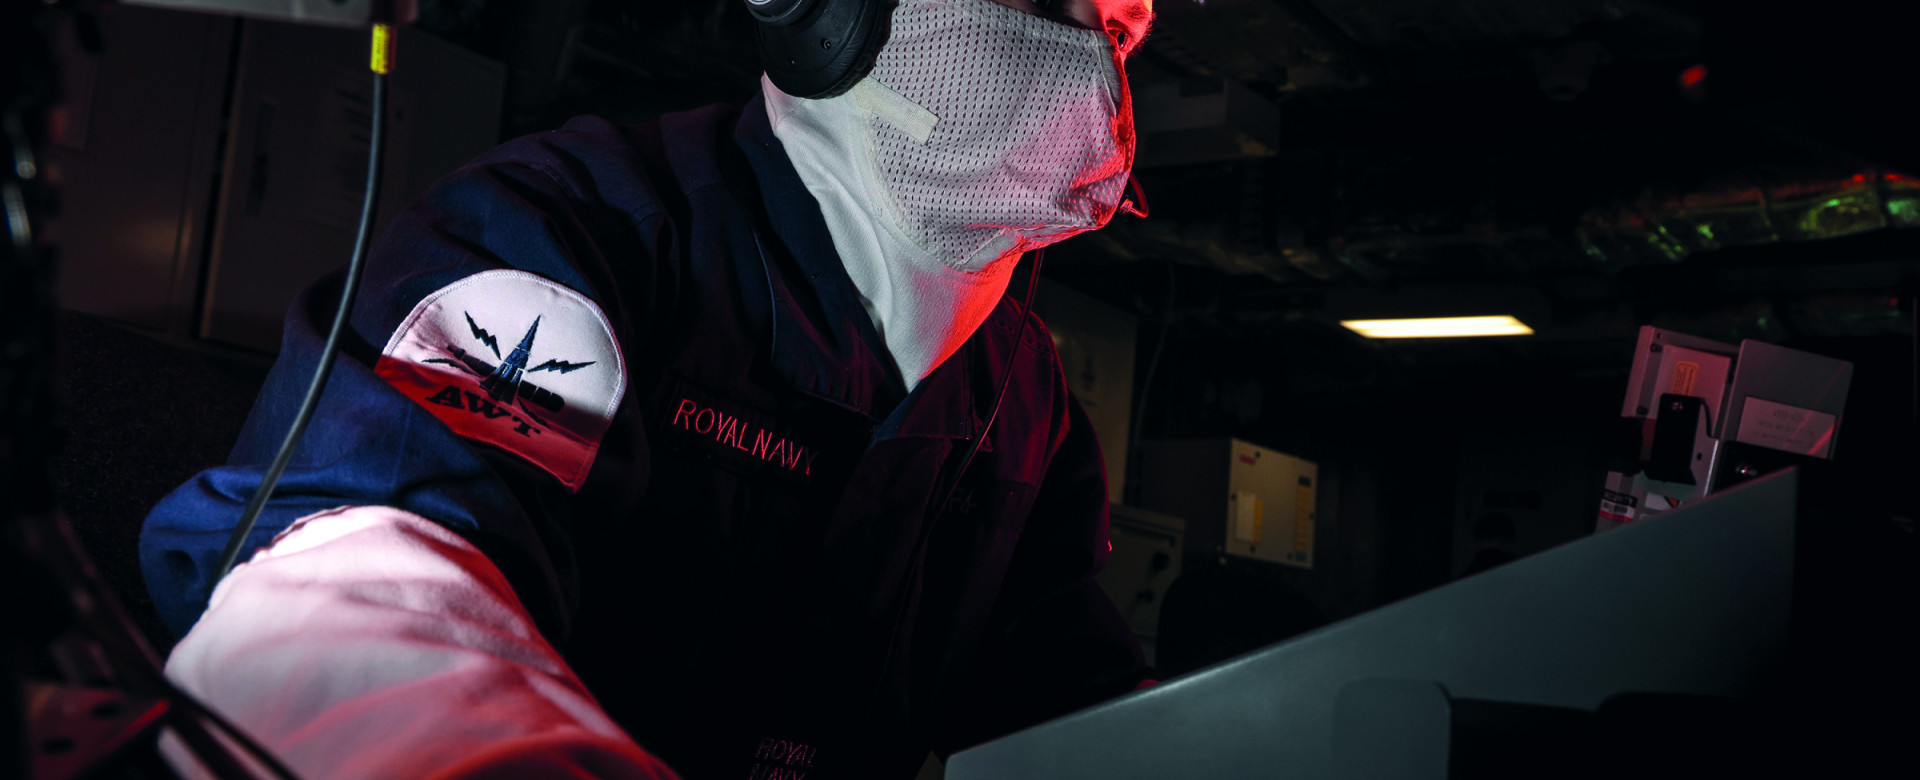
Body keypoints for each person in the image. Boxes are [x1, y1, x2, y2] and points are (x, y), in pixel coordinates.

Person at [139, 1, 1157, 777]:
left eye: (1118, 31)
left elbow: (1074, 711)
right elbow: (350, 586)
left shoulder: (1025, 396)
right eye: (1059, 7)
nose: (1097, 69)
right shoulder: (573, 233)